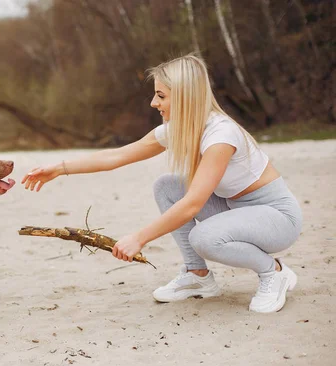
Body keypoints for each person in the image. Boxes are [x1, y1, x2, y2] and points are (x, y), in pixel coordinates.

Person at [21, 54, 302, 313]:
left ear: (186, 97)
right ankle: (197, 276)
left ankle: (273, 272)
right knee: (167, 186)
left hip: (276, 218)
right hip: (236, 209)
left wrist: (139, 238)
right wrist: (58, 169)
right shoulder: (179, 129)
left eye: (160, 96)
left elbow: (193, 204)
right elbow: (117, 156)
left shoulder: (221, 136)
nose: (153, 103)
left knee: (204, 238)